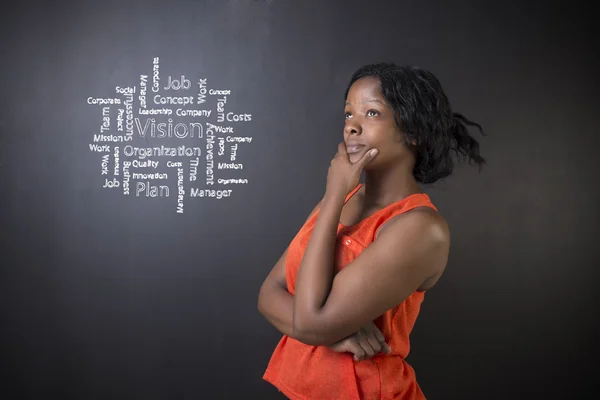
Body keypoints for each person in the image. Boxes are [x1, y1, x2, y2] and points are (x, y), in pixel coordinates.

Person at [257, 63, 485, 399]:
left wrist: (333, 194)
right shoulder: (346, 197)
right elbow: (268, 294)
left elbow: (307, 322)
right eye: (349, 114)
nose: (351, 128)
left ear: (413, 131)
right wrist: (333, 333)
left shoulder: (420, 228)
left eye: (372, 113)